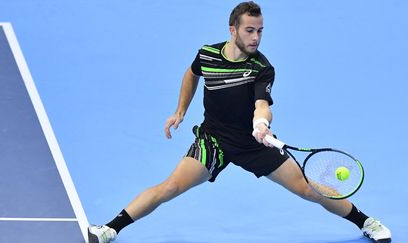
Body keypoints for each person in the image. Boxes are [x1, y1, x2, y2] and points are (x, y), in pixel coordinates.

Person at [88, 2, 392, 243]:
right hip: (213, 140)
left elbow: (263, 105)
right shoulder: (207, 54)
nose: (256, 37)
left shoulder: (262, 67)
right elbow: (191, 74)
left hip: (252, 142)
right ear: (232, 29)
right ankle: (110, 229)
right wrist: (180, 110)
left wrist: (261, 123)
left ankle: (366, 221)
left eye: (260, 31)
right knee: (170, 188)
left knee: (309, 190)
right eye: (250, 30)